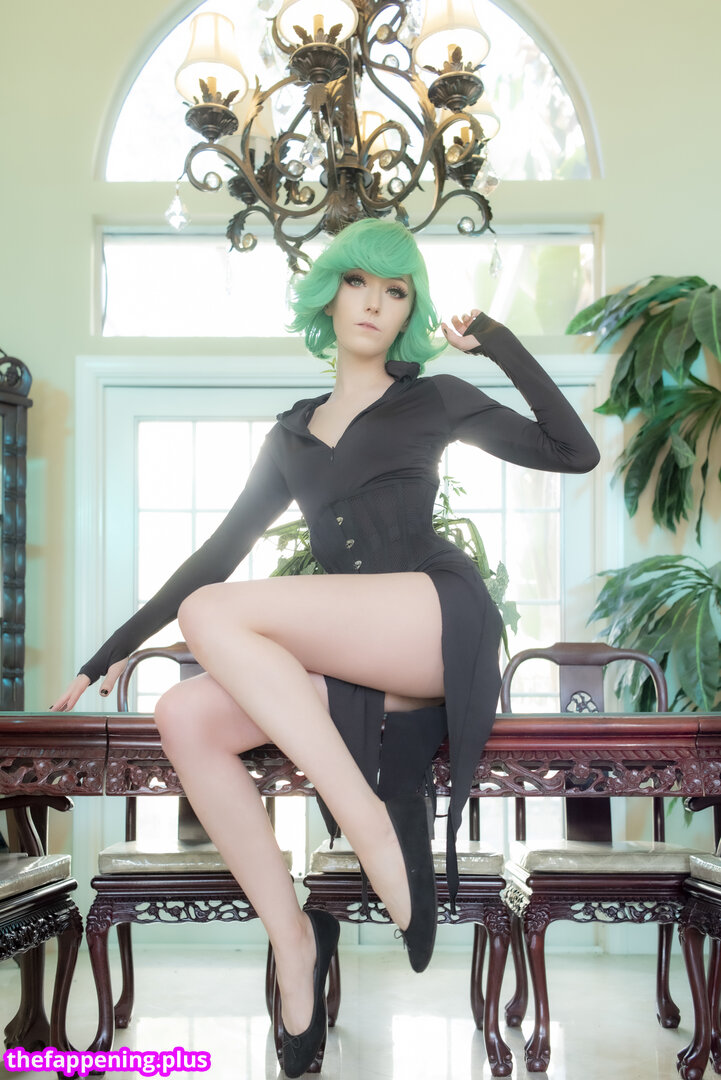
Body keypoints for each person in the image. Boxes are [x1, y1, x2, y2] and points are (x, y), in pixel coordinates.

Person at [51, 218, 599, 1076]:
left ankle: (369, 826)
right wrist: (105, 654)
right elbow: (215, 556)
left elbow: (575, 450)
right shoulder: (292, 437)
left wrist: (493, 339)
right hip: (357, 658)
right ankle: (296, 940)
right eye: (357, 282)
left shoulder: (432, 397)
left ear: (409, 311)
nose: (374, 302)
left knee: (213, 612)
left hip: (434, 620)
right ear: (328, 296)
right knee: (184, 713)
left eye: (395, 290)